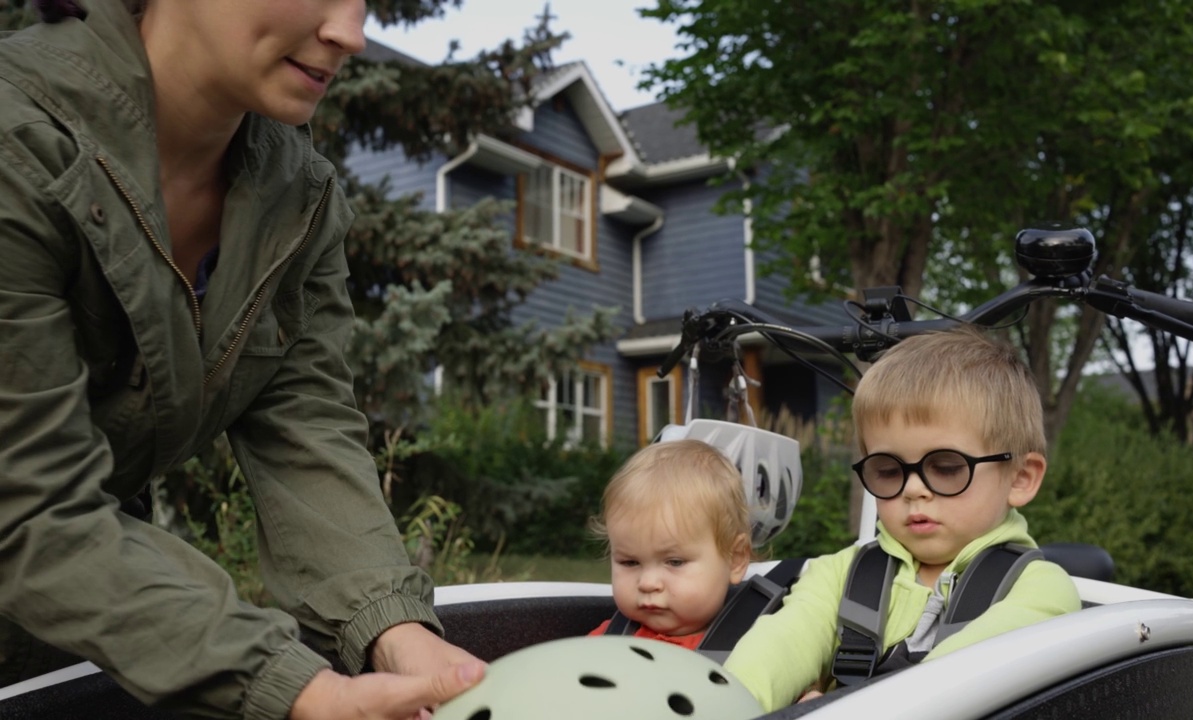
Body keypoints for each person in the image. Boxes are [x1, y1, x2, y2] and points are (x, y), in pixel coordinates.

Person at [0, 1, 485, 718]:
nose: (350, 35)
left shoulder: (299, 198)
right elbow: (26, 504)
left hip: (61, 631)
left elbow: (305, 429)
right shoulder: (17, 143)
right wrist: (294, 687)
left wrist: (401, 635)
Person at [723, 328, 1082, 712]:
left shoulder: (1042, 592)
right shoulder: (839, 576)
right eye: (889, 470)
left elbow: (960, 681)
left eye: (945, 467)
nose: (913, 489)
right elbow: (778, 647)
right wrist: (724, 706)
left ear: (1021, 478)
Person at [587, 439, 753, 649]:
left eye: (674, 562)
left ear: (735, 559)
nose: (647, 584)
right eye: (630, 562)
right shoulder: (605, 641)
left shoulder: (750, 650)